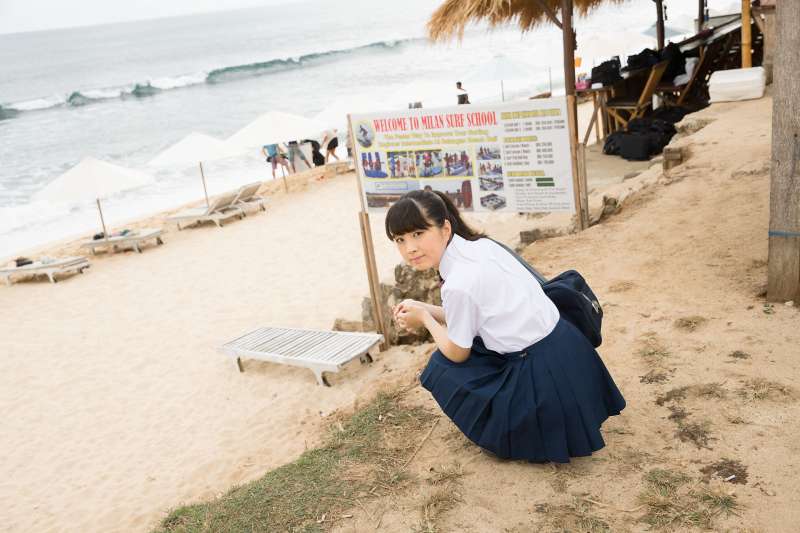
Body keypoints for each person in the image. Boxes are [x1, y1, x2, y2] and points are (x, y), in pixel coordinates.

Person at [386, 190, 625, 463]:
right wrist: (426, 308)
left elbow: (457, 352)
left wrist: (425, 320)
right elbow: (480, 314)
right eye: (400, 240)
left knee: (442, 367)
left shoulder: (458, 283)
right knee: (470, 342)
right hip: (570, 351)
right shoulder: (483, 247)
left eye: (418, 233)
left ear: (445, 227)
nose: (410, 248)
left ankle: (511, 432)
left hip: (544, 375)